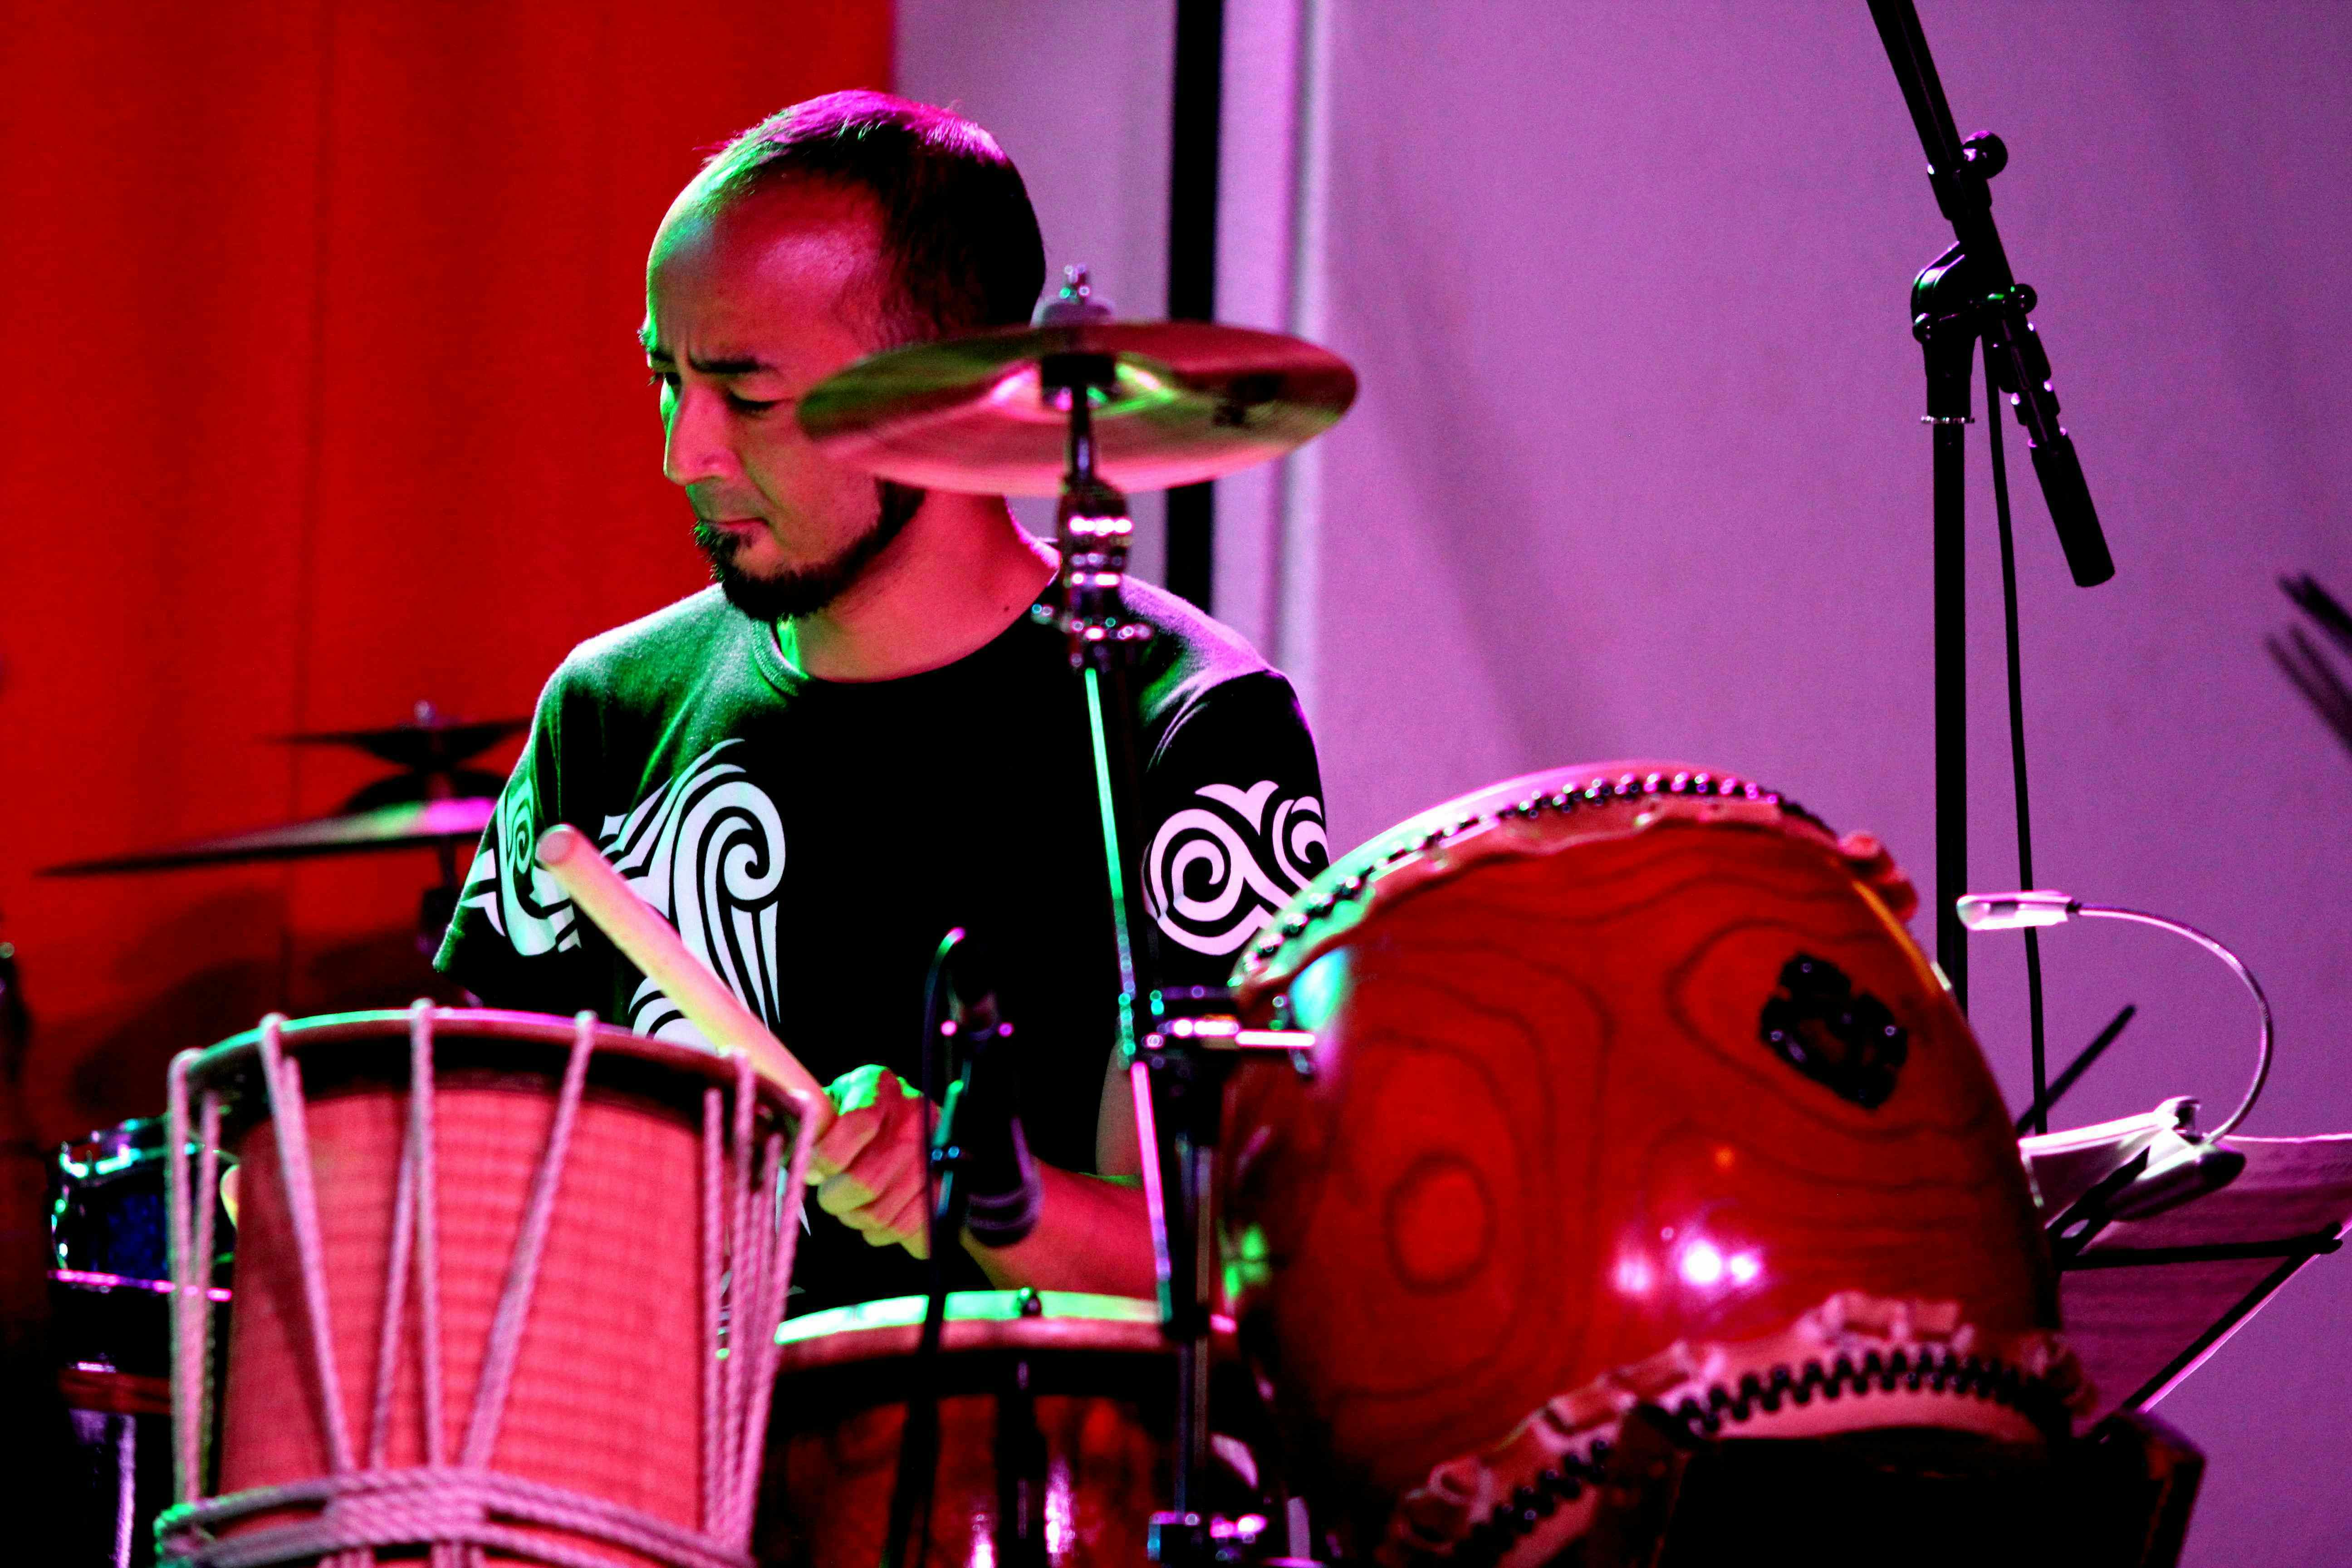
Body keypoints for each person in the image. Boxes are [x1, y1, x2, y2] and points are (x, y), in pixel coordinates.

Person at [434, 92, 1328, 1315]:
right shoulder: (610, 710)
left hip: (1014, 1438)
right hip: (665, 1429)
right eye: (667, 380)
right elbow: (465, 1163)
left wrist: (986, 1188)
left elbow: (1224, 1276)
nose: (685, 454)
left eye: (749, 397)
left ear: (941, 398)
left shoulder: (1185, 725)